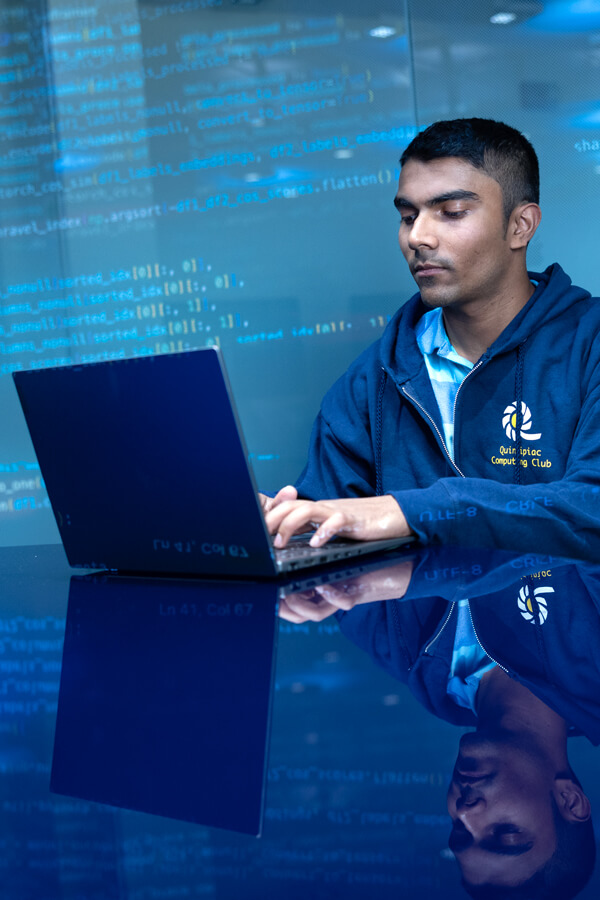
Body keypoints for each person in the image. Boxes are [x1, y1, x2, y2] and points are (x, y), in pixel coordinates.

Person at [261, 118, 600, 560]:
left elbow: (590, 509)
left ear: (521, 225)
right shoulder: (374, 377)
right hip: (417, 629)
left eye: (452, 212)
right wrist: (285, 525)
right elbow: (334, 522)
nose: (417, 237)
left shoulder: (588, 345)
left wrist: (416, 510)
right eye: (407, 217)